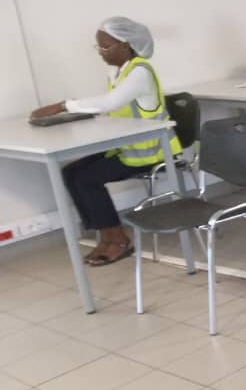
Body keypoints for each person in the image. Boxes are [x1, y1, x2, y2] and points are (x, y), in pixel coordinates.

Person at [30, 16, 183, 267]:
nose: (100, 52)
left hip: (152, 152)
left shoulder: (140, 72)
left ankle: (118, 240)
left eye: (105, 46)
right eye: (98, 46)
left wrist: (62, 106)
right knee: (71, 172)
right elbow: (113, 107)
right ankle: (107, 235)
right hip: (128, 148)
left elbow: (110, 103)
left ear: (125, 45)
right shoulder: (119, 72)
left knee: (86, 178)